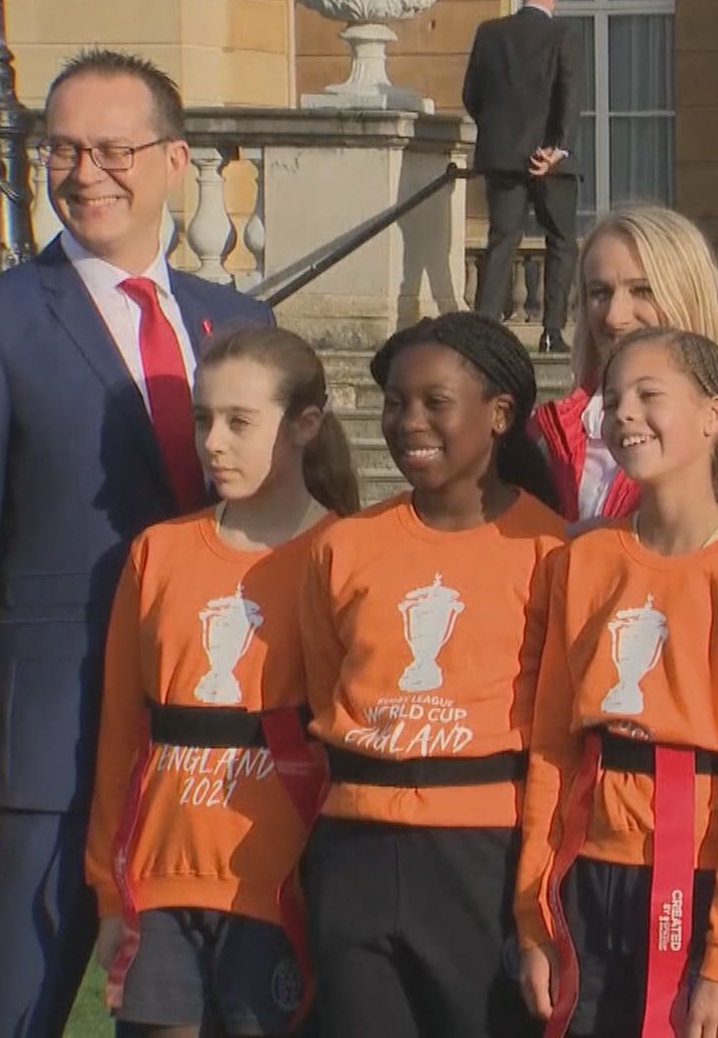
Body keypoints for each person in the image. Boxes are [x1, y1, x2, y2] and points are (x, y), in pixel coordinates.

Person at [0, 49, 273, 1037]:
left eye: (111, 149)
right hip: (51, 751)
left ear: (176, 160)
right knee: (9, 1014)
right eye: (62, 150)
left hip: (223, 752)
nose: (83, 173)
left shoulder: (239, 324)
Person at [515, 327, 718, 1038]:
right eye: (614, 399)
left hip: (692, 880)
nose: (626, 415)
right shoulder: (581, 562)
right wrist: (534, 918)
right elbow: (551, 746)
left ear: (712, 414)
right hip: (587, 874)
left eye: (649, 396)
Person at [84, 326, 358, 1036]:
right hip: (159, 880)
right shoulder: (160, 552)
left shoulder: (345, 555)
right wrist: (109, 896)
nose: (213, 442)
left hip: (277, 887)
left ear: (304, 425)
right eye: (203, 419)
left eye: (240, 422)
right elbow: (120, 732)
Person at [299, 313, 564, 1037]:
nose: (408, 420)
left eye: (434, 402)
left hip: (483, 859)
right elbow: (327, 692)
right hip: (352, 852)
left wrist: (535, 898)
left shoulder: (551, 550)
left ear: (500, 414)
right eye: (394, 402)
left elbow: (555, 739)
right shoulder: (344, 548)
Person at [529, 204, 718, 572]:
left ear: (689, 296)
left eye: (642, 290)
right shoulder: (541, 436)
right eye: (599, 292)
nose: (616, 316)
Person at [464, 0, 580, 353]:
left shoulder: (489, 33)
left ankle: (483, 333)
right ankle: (551, 333)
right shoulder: (562, 33)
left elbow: (471, 95)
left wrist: (499, 137)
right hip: (549, 161)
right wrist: (556, 149)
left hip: (502, 157)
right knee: (561, 242)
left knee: (502, 241)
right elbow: (569, 95)